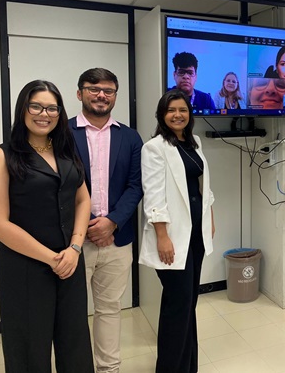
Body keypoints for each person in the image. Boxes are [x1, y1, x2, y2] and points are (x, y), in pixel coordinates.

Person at [0, 80, 94, 373]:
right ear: (23, 109)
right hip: (25, 268)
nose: (44, 114)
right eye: (36, 106)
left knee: (75, 343)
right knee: (29, 349)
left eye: (52, 108)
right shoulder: (2, 156)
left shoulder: (66, 151)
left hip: (70, 261)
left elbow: (83, 199)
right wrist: (52, 258)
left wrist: (74, 248)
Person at [69, 68, 143, 372]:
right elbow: (57, 186)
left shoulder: (130, 136)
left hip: (117, 240)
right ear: (80, 93)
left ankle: (109, 369)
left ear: (115, 96)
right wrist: (87, 228)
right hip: (74, 242)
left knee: (110, 309)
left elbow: (135, 186)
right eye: (93, 88)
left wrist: (112, 222)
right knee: (71, 313)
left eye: (108, 90)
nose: (101, 95)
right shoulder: (61, 133)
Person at [139, 89, 215, 373]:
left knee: (188, 303)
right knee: (177, 304)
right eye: (171, 110)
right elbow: (154, 196)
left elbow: (203, 187)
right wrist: (162, 236)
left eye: (182, 109)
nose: (177, 115)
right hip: (173, 236)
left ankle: (188, 366)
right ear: (162, 115)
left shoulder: (194, 142)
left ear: (189, 113)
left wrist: (210, 218)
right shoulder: (154, 148)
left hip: (196, 234)